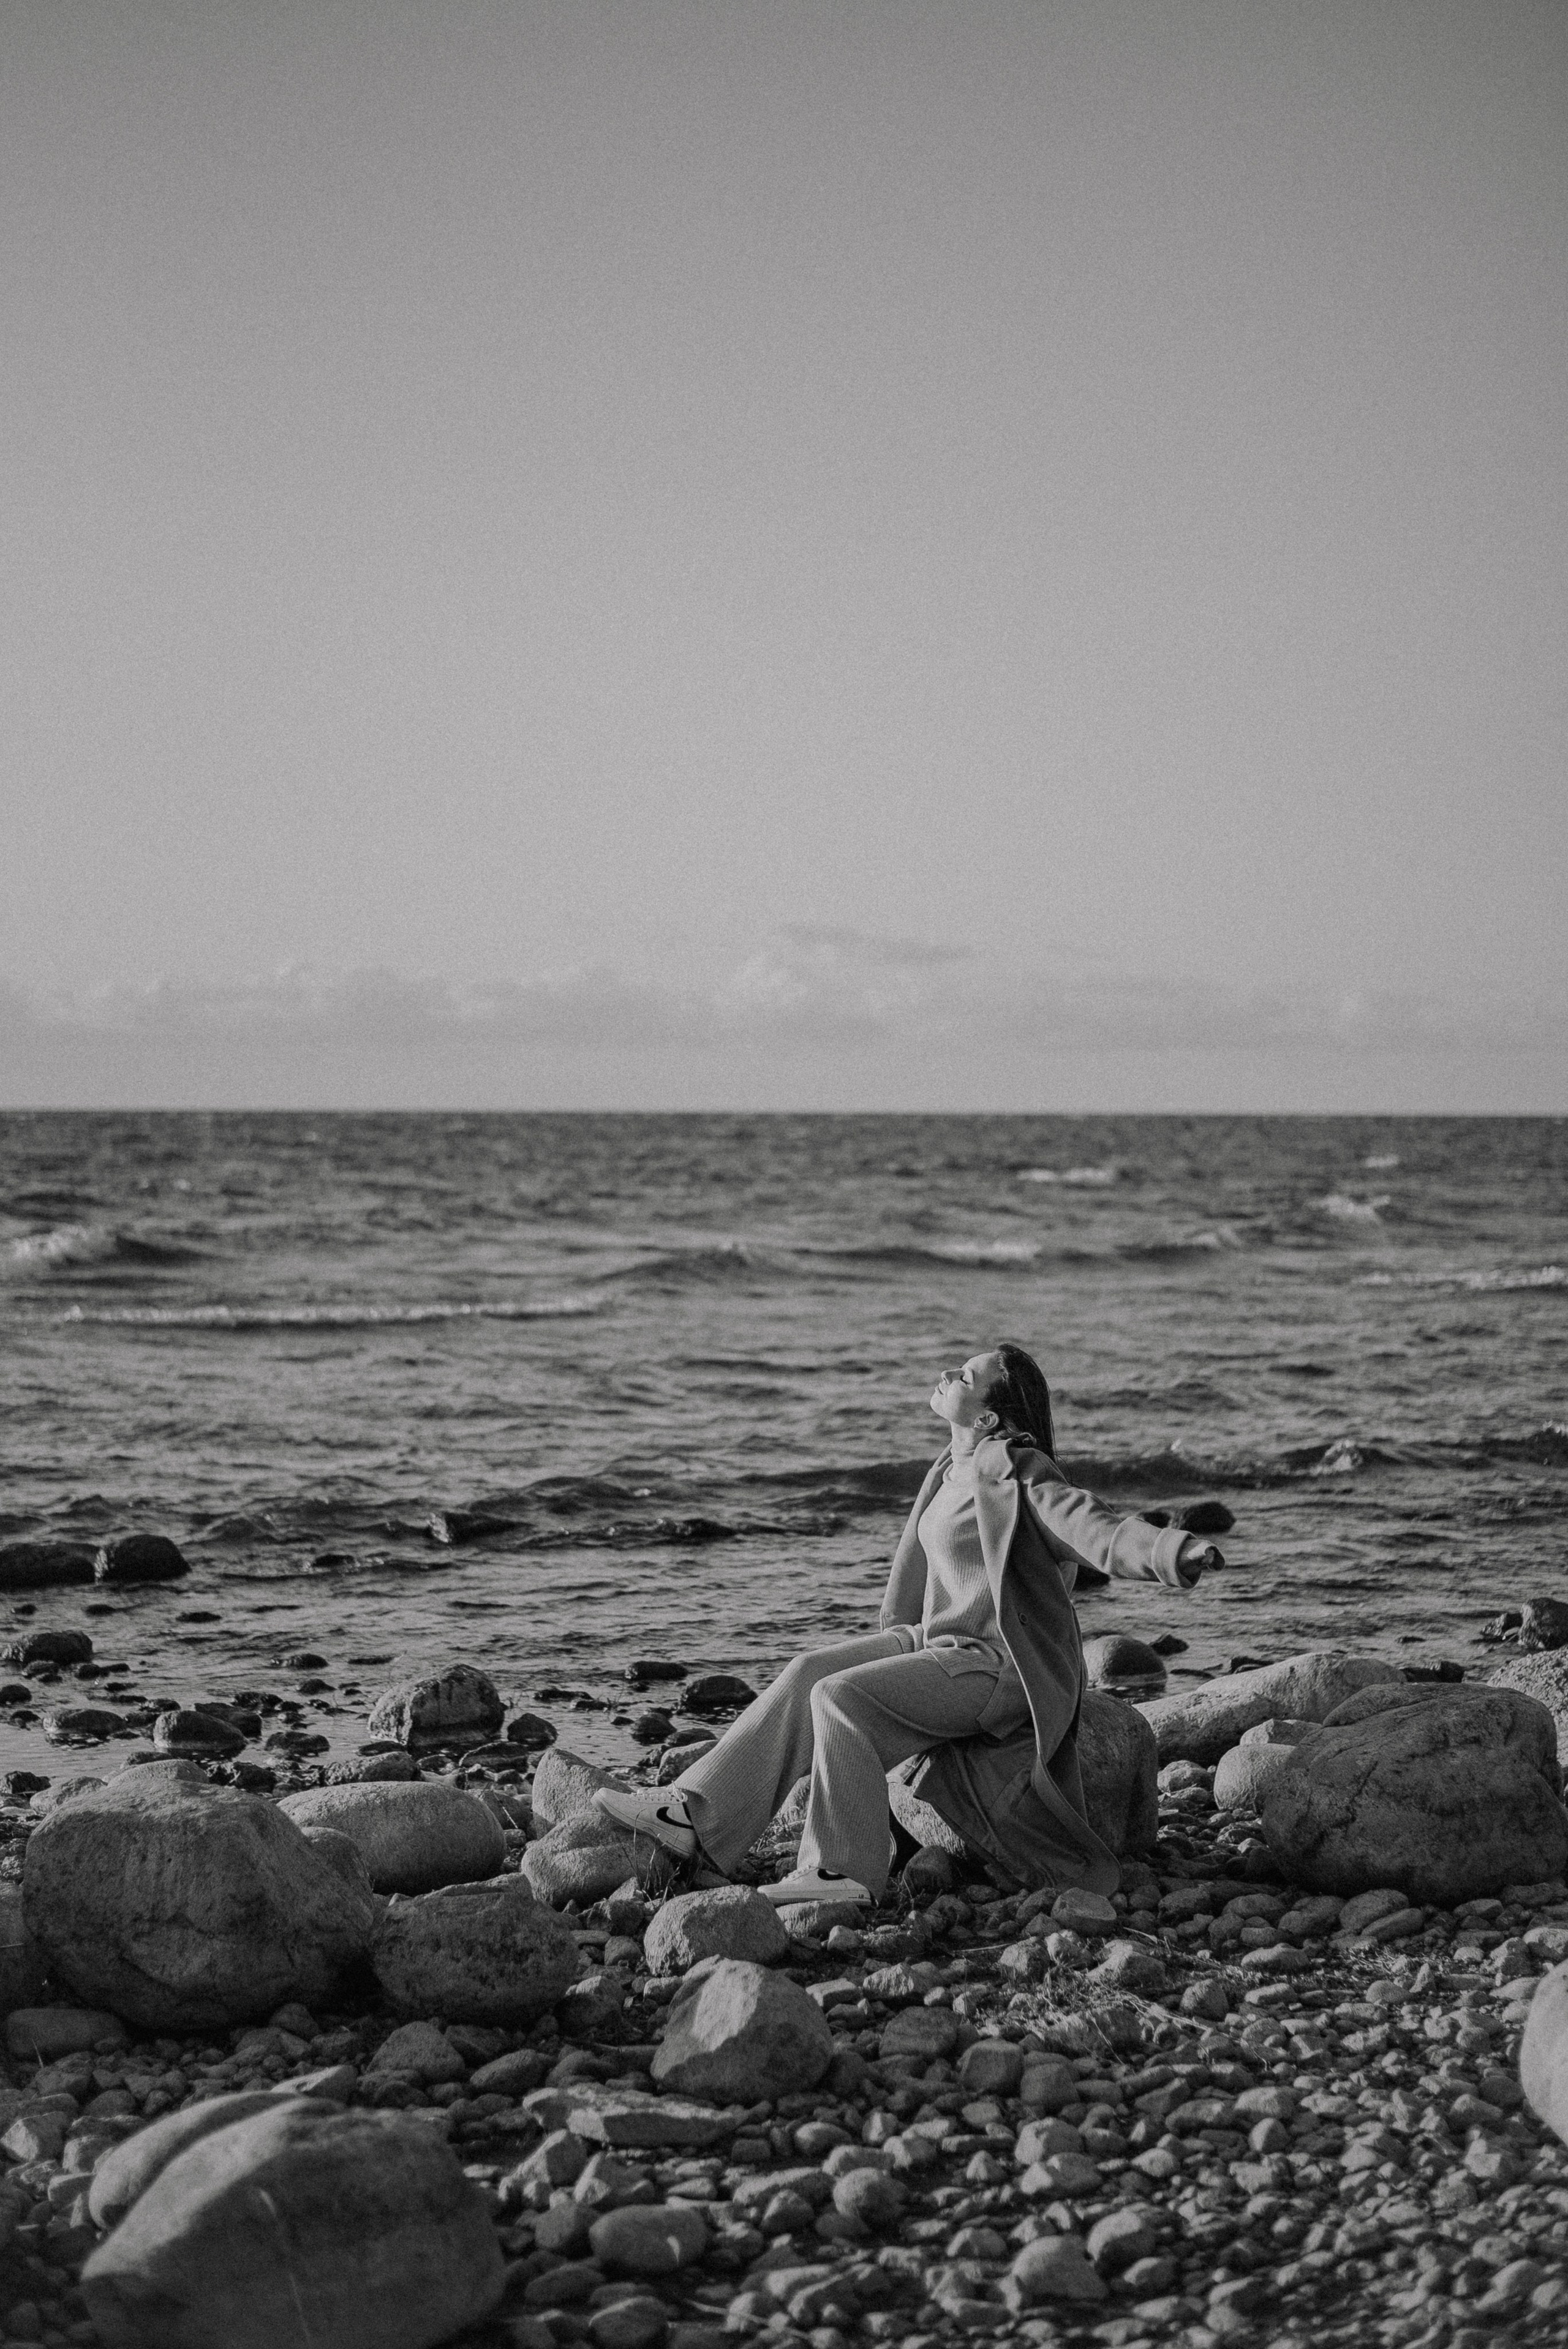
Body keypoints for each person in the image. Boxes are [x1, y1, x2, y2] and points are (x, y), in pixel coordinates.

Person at [595, 1341, 1218, 1904]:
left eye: (967, 1375)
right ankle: (697, 1823)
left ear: (988, 1418)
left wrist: (1169, 1551)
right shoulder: (947, 1470)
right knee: (805, 1672)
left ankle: (840, 1873)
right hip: (934, 1641)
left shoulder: (1020, 1471)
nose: (950, 1371)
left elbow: (1093, 1526)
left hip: (993, 1665)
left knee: (841, 1700)